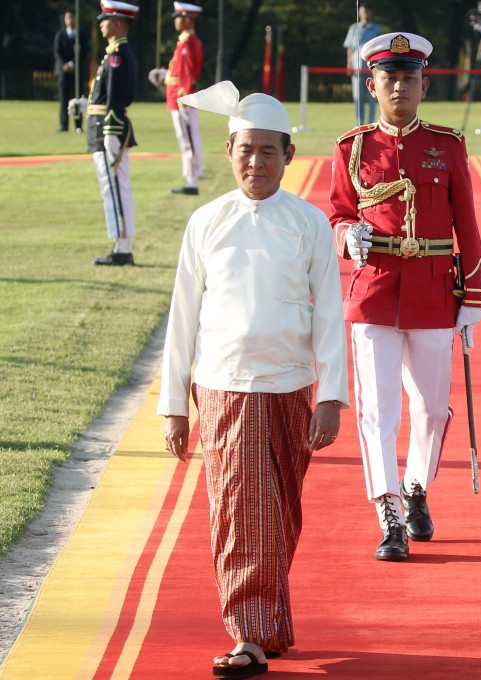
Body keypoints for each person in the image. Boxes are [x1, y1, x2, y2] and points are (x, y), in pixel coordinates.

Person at [157, 80, 348, 677]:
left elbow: (330, 313)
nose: (256, 162)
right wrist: (173, 405)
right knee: (240, 510)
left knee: (280, 513)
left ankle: (265, 624)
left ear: (289, 156)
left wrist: (332, 398)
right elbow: (182, 314)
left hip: (290, 389)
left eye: (269, 151)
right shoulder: (206, 221)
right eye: (245, 149)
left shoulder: (309, 222)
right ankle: (249, 636)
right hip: (222, 387)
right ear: (229, 150)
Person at [328, 32, 481, 562]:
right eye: (389, 79)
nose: (400, 87)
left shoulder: (449, 144)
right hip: (373, 290)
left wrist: (474, 294)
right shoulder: (352, 148)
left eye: (409, 79)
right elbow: (338, 212)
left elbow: (468, 223)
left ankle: (417, 484)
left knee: (433, 409)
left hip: (435, 289)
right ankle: (389, 510)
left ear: (423, 84)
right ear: (372, 84)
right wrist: (347, 234)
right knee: (377, 411)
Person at [70, 1, 139, 266]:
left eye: (106, 19)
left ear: (119, 23)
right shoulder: (114, 53)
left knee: (114, 188)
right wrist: (85, 105)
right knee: (113, 187)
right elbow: (107, 95)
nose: (101, 23)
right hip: (103, 126)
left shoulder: (118, 55)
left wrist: (111, 131)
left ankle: (123, 247)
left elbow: (118, 98)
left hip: (107, 130)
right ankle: (121, 243)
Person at [151, 2, 204, 195]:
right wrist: (165, 75)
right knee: (186, 138)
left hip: (181, 98)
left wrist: (184, 97)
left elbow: (188, 73)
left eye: (178, 17)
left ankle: (192, 180)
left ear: (188, 19)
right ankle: (191, 177)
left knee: (187, 139)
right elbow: (179, 71)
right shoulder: (185, 41)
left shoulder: (188, 42)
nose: (176, 21)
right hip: (177, 96)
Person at [343, 5, 384, 126]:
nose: (364, 14)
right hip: (357, 68)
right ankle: (359, 123)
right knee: (358, 97)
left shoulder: (376, 28)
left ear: (370, 13)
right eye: (362, 11)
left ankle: (372, 122)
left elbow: (381, 48)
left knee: (373, 96)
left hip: (372, 68)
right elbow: (349, 48)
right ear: (359, 13)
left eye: (367, 11)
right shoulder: (354, 28)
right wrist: (349, 64)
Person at [54, 9, 89, 133]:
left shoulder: (81, 35)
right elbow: (57, 52)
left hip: (76, 72)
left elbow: (84, 52)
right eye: (68, 17)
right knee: (64, 99)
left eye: (72, 17)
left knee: (77, 100)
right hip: (63, 72)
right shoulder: (60, 35)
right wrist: (64, 64)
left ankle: (78, 125)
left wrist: (73, 64)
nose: (70, 20)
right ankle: (64, 125)